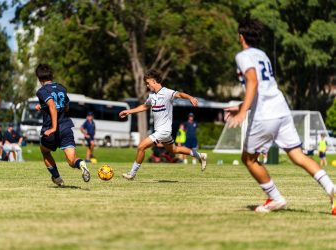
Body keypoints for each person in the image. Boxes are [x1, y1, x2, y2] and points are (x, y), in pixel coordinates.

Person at [224, 18, 336, 214]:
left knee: (248, 159)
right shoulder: (263, 55)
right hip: (281, 109)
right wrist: (242, 106)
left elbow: (253, 82)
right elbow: (264, 89)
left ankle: (275, 198)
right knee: (297, 155)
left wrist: (243, 111)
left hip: (265, 115)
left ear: (240, 37)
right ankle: (331, 187)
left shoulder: (243, 56)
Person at [119, 69, 207, 180]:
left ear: (154, 81)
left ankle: (132, 174)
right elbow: (144, 107)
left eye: (148, 83)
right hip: (160, 131)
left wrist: (190, 97)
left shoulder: (166, 92)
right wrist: (128, 111)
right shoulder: (152, 96)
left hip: (164, 131)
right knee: (174, 150)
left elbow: (179, 94)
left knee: (141, 147)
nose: (147, 85)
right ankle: (201, 156)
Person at [35, 63, 90, 186]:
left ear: (39, 78)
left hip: (51, 129)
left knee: (44, 151)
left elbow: (53, 106)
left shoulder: (42, 91)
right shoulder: (61, 88)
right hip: (66, 127)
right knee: (71, 161)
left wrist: (53, 128)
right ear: (52, 75)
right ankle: (81, 163)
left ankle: (57, 178)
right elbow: (65, 107)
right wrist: (43, 107)